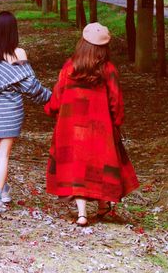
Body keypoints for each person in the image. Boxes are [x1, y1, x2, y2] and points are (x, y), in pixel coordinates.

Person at [44, 21, 139, 226]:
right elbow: (116, 100)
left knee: (78, 167)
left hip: (70, 127)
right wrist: (117, 122)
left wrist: (50, 109)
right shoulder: (108, 70)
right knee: (101, 163)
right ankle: (103, 205)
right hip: (99, 126)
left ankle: (82, 214)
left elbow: (58, 95)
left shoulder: (70, 67)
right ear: (104, 48)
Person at [0, 10, 52, 214]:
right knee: (4, 155)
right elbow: (31, 86)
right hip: (9, 113)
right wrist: (52, 98)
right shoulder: (19, 54)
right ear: (14, 31)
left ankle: (5, 189)